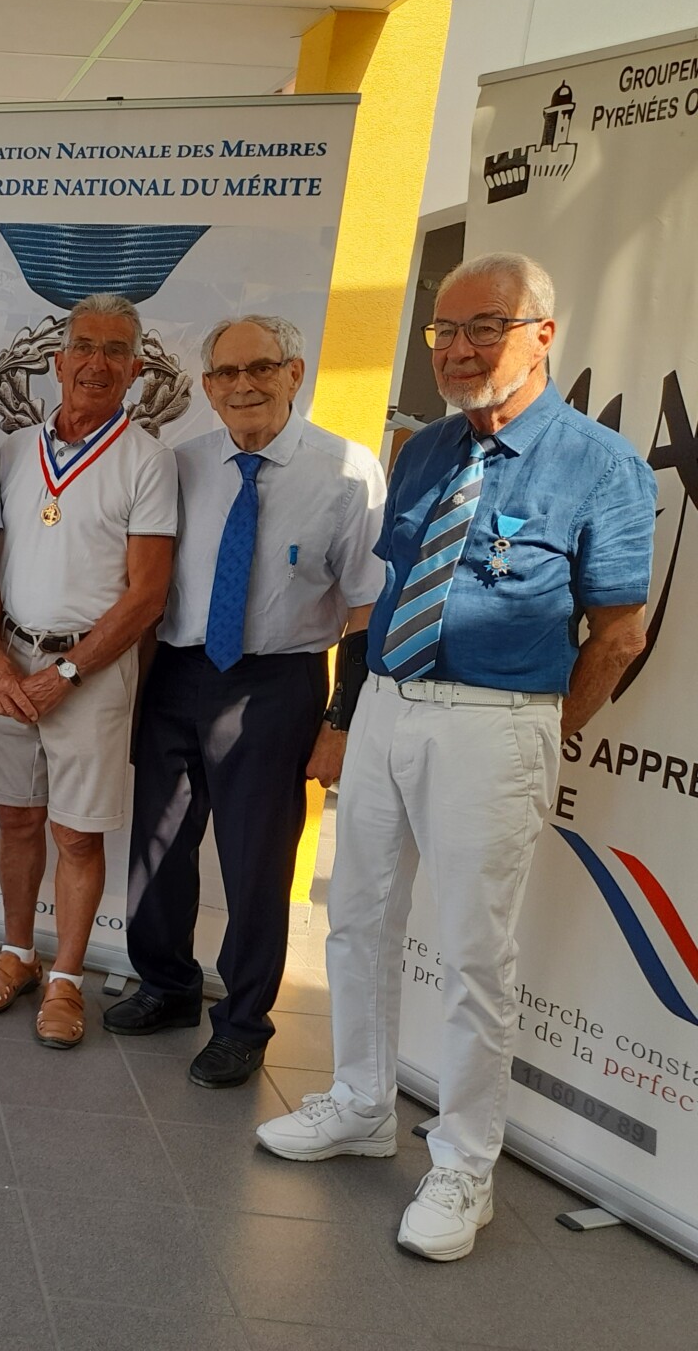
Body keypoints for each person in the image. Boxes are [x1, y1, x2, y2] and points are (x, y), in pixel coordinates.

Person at [256, 253, 655, 1262]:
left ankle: (466, 1164)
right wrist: (349, 713)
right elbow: (390, 596)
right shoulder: (427, 448)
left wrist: (540, 733)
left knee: (478, 955)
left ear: (543, 336)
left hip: (498, 721)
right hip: (388, 706)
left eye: (486, 326)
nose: (460, 349)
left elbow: (619, 631)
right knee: (356, 918)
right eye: (443, 331)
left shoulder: (600, 465)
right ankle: (358, 1104)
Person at [105, 315, 384, 1088]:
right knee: (156, 846)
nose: (244, 385)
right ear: (206, 388)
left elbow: (366, 606)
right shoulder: (182, 463)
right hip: (177, 672)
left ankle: (244, 1023)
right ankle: (165, 984)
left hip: (277, 684)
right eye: (225, 374)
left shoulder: (348, 471)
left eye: (261, 367)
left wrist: (340, 723)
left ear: (295, 373)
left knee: (257, 864)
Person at [0, 295, 177, 1048]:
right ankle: (18, 954)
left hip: (93, 668)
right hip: (10, 660)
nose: (96, 363)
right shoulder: (14, 449)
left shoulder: (147, 461)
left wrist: (69, 673)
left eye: (115, 351)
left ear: (136, 369)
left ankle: (66, 979)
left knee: (77, 835)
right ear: (56, 362)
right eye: (83, 347)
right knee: (16, 817)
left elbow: (147, 593)